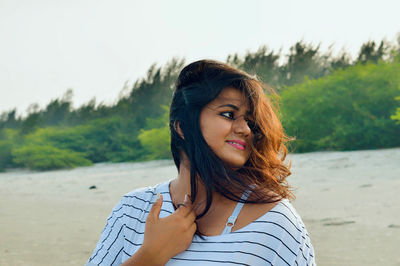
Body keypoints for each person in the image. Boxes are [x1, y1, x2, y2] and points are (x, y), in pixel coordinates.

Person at [86, 60, 316, 266]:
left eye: (250, 122)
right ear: (183, 126)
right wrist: (150, 256)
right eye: (228, 114)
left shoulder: (275, 223)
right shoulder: (134, 209)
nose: (244, 129)